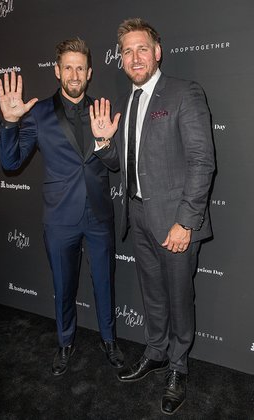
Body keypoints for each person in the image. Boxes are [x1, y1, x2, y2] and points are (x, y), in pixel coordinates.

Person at [90, 18, 215, 415]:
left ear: (157, 52)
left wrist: (186, 221)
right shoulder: (128, 102)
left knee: (179, 298)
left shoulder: (184, 93)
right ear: (121, 59)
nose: (134, 56)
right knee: (153, 296)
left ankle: (178, 366)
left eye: (141, 48)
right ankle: (157, 351)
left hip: (175, 220)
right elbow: (123, 166)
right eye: (126, 51)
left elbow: (201, 162)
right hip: (139, 216)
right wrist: (103, 143)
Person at [0, 38, 124, 376]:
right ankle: (65, 342)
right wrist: (10, 122)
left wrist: (104, 143)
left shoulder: (102, 110)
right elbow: (11, 162)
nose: (74, 73)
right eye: (67, 67)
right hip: (59, 218)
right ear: (57, 71)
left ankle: (109, 341)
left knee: (104, 283)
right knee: (64, 286)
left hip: (99, 216)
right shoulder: (37, 113)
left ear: (89, 72)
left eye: (80, 67)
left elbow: (114, 165)